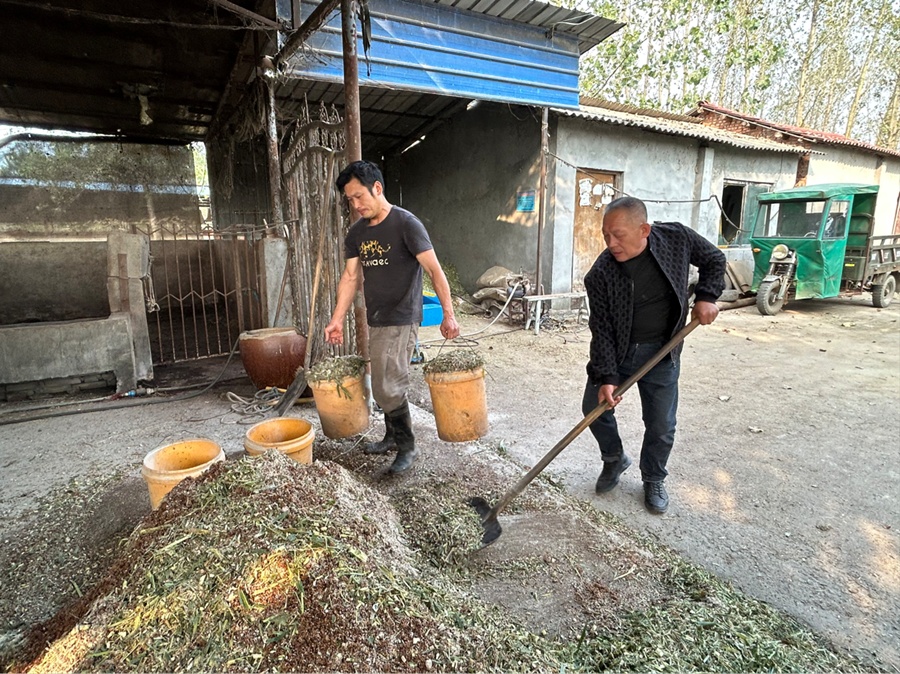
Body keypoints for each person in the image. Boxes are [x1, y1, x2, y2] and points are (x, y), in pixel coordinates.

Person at [583, 196, 725, 513]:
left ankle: (653, 478)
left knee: (661, 424)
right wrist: (607, 376)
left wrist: (706, 296)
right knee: (593, 407)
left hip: (663, 351)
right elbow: (601, 329)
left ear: (644, 229)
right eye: (606, 235)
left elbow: (714, 259)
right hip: (619, 351)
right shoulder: (601, 274)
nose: (611, 243)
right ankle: (614, 458)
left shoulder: (676, 238)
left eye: (618, 234)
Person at [324, 160, 460, 473]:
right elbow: (349, 277)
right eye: (350, 200)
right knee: (384, 379)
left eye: (360, 196)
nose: (356, 205)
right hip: (377, 317)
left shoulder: (406, 224)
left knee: (388, 386)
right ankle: (391, 436)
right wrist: (336, 319)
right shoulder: (357, 233)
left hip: (403, 316)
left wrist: (448, 315)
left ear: (378, 188)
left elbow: (434, 271)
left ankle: (407, 445)